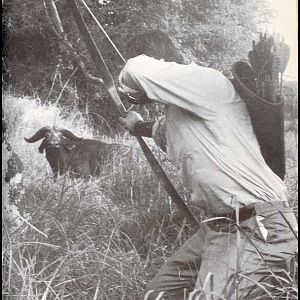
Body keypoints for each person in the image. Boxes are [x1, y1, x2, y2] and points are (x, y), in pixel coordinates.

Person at [118, 30, 298, 299]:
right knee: (158, 295)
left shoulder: (206, 82)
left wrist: (127, 85)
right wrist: (136, 125)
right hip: (221, 227)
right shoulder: (180, 110)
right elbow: (162, 130)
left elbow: (136, 69)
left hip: (260, 223)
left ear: (158, 61)